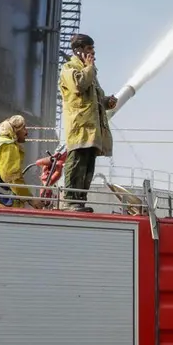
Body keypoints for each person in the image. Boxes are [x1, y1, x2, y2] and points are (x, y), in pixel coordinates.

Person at [58, 33, 117, 212]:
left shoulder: (90, 73)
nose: (93, 53)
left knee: (88, 165)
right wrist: (90, 67)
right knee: (76, 162)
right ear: (79, 50)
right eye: (90, 49)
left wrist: (107, 102)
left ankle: (80, 200)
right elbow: (79, 85)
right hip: (80, 126)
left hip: (92, 128)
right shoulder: (69, 69)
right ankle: (69, 200)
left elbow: (95, 98)